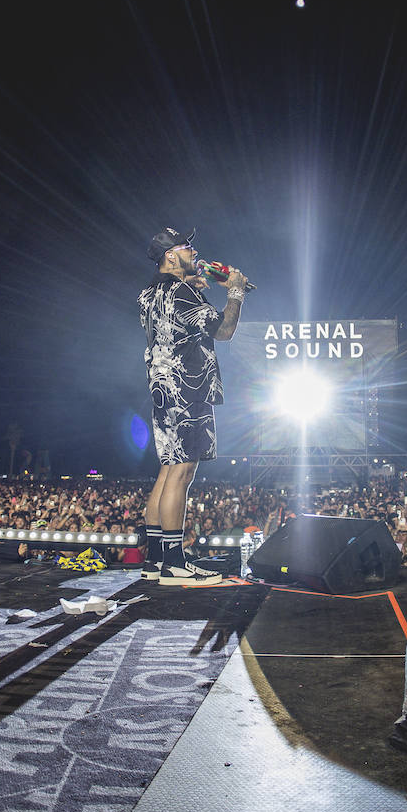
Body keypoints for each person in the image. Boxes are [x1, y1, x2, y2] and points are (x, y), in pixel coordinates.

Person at [137, 226, 247, 586]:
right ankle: (173, 563)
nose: (193, 251)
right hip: (188, 386)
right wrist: (234, 291)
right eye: (186, 247)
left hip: (162, 385)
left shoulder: (150, 293)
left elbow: (173, 323)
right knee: (182, 473)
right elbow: (223, 330)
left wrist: (197, 289)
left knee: (168, 470)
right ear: (171, 255)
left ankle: (155, 560)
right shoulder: (182, 291)